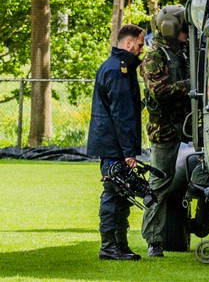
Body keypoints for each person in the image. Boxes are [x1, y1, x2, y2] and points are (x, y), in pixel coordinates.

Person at [87, 24, 146, 261]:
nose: (142, 49)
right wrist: (129, 152)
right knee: (113, 194)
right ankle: (110, 246)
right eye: (140, 44)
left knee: (122, 194)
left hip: (113, 144)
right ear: (129, 43)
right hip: (115, 146)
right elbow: (122, 115)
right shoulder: (117, 71)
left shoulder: (117, 68)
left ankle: (119, 245)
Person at [140, 5, 191, 258]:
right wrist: (191, 85)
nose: (187, 34)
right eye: (184, 29)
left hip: (189, 124)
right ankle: (154, 241)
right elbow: (160, 92)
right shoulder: (155, 57)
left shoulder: (181, 53)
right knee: (159, 184)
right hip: (165, 129)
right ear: (172, 29)